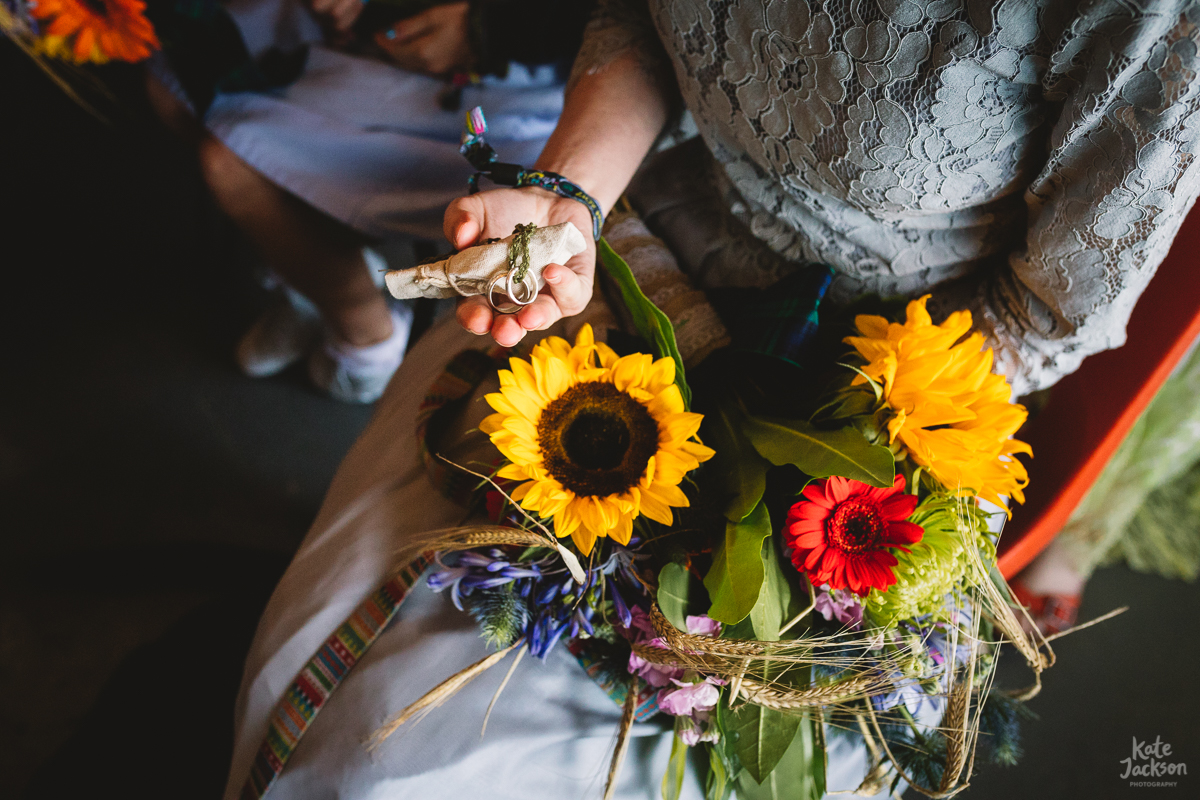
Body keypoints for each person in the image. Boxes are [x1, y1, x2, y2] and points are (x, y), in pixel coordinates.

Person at [224, 1, 1200, 797]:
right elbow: (644, 21)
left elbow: (1048, 311)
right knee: (355, 721)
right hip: (653, 236)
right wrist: (564, 199)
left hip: (887, 395)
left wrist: (789, 445)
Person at [147, 0, 592, 402]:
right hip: (378, 29)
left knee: (228, 159)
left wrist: (488, 26)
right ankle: (325, 285)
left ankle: (358, 325)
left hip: (526, 74)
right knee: (179, 76)